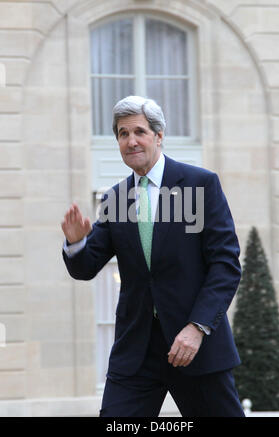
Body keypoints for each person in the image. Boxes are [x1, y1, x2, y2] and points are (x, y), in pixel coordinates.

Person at [61, 95, 245, 417]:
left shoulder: (200, 186)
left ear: (159, 136)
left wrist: (197, 327)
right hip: (136, 351)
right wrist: (76, 243)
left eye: (139, 132)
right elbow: (86, 267)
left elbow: (225, 265)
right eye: (122, 134)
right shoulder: (116, 198)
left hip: (194, 346)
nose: (131, 141)